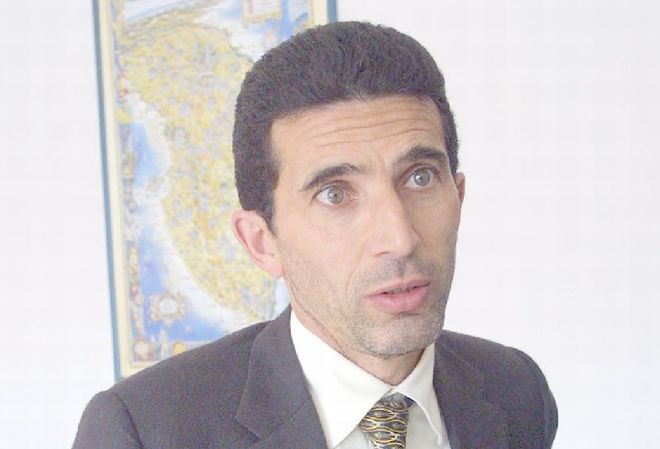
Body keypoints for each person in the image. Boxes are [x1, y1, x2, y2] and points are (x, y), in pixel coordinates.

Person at [73, 21, 557, 449]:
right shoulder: (144, 431)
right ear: (261, 242)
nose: (399, 237)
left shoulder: (515, 390)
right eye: (335, 194)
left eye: (420, 177)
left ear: (459, 195)